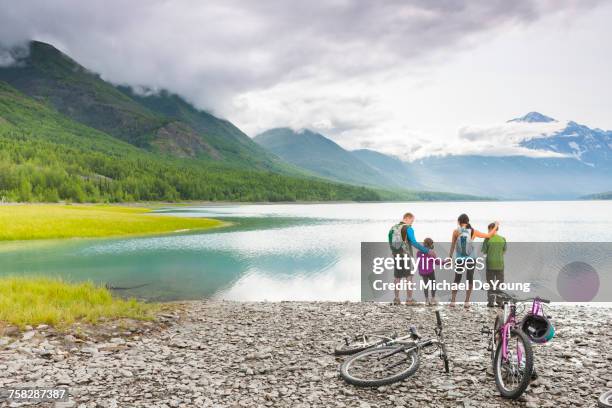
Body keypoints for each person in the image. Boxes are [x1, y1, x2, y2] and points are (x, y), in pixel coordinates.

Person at [448, 214, 498, 308]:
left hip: (460, 258)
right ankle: (467, 301)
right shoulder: (473, 231)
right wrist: (495, 225)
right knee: (470, 278)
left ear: (459, 221)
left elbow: (453, 245)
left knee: (457, 278)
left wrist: (450, 257)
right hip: (471, 258)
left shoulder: (456, 231)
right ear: (467, 221)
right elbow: (488, 235)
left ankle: (453, 301)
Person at [388, 212, 430, 305]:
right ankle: (409, 299)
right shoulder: (408, 228)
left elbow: (390, 242)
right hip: (406, 255)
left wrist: (394, 253)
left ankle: (396, 299)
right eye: (412, 220)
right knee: (409, 276)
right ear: (407, 218)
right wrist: (426, 251)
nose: (412, 223)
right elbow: (414, 243)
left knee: (397, 277)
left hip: (396, 255)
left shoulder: (392, 228)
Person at [482, 222, 507, 307]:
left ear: (491, 229)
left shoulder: (487, 239)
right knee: (500, 283)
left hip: (490, 264)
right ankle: (500, 301)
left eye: (488, 229)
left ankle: (491, 302)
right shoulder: (503, 239)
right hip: (500, 264)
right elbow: (504, 251)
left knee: (490, 283)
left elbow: (484, 252)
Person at [417, 238, 438, 306]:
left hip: (423, 272)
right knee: (433, 284)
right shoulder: (431, 252)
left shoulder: (418, 252)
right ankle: (433, 299)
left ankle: (426, 300)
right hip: (430, 271)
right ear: (430, 244)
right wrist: (445, 262)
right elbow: (437, 262)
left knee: (425, 285)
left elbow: (419, 263)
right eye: (432, 244)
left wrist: (420, 271)